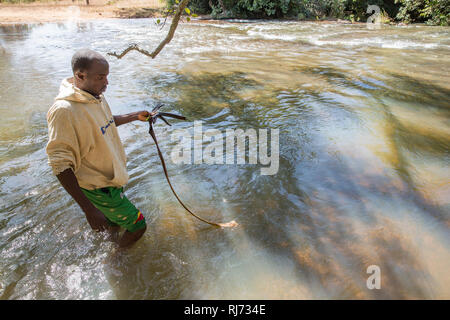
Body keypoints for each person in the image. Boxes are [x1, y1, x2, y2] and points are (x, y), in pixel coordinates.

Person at [46, 48, 152, 248]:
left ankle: (110, 242)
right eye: (101, 77)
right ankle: (116, 260)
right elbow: (59, 165)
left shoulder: (94, 96)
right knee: (138, 225)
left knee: (113, 224)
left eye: (107, 77)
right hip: (98, 188)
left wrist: (134, 116)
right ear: (80, 75)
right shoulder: (64, 111)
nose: (107, 83)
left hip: (110, 180)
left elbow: (105, 123)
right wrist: (88, 210)